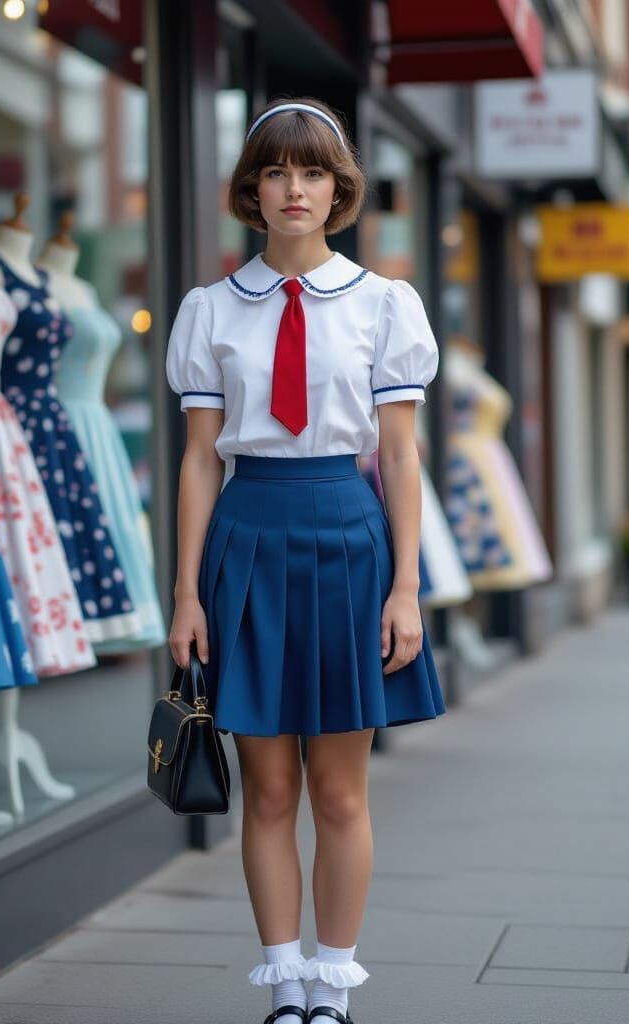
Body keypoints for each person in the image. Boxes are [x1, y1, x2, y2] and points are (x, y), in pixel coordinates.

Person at [165, 98, 445, 1024]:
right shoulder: (210, 310)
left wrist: (406, 588)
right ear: (253, 189)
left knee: (338, 788)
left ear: (339, 189)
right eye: (279, 172)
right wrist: (185, 595)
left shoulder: (383, 305)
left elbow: (400, 456)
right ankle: (284, 982)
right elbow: (202, 459)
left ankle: (333, 985)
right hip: (247, 536)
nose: (297, 189)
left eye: (315, 172)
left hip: (348, 537)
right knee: (269, 787)